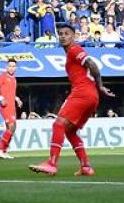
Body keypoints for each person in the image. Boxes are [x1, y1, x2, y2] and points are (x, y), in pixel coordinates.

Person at [30, 24, 114, 176]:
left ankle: (52, 163)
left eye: (67, 33)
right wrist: (98, 88)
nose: (63, 36)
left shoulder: (75, 50)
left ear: (73, 36)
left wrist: (100, 85)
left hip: (82, 92)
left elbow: (92, 64)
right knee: (71, 131)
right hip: (91, 96)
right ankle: (86, 166)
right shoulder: (70, 53)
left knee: (58, 125)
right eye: (60, 33)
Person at [0, 58, 23, 159]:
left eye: (13, 66)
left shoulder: (14, 79)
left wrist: (17, 99)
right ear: (6, 67)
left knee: (12, 128)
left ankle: (4, 150)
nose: (11, 68)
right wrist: (1, 98)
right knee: (12, 126)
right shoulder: (2, 76)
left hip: (12, 106)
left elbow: (11, 92)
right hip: (5, 106)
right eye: (9, 66)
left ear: (16, 68)